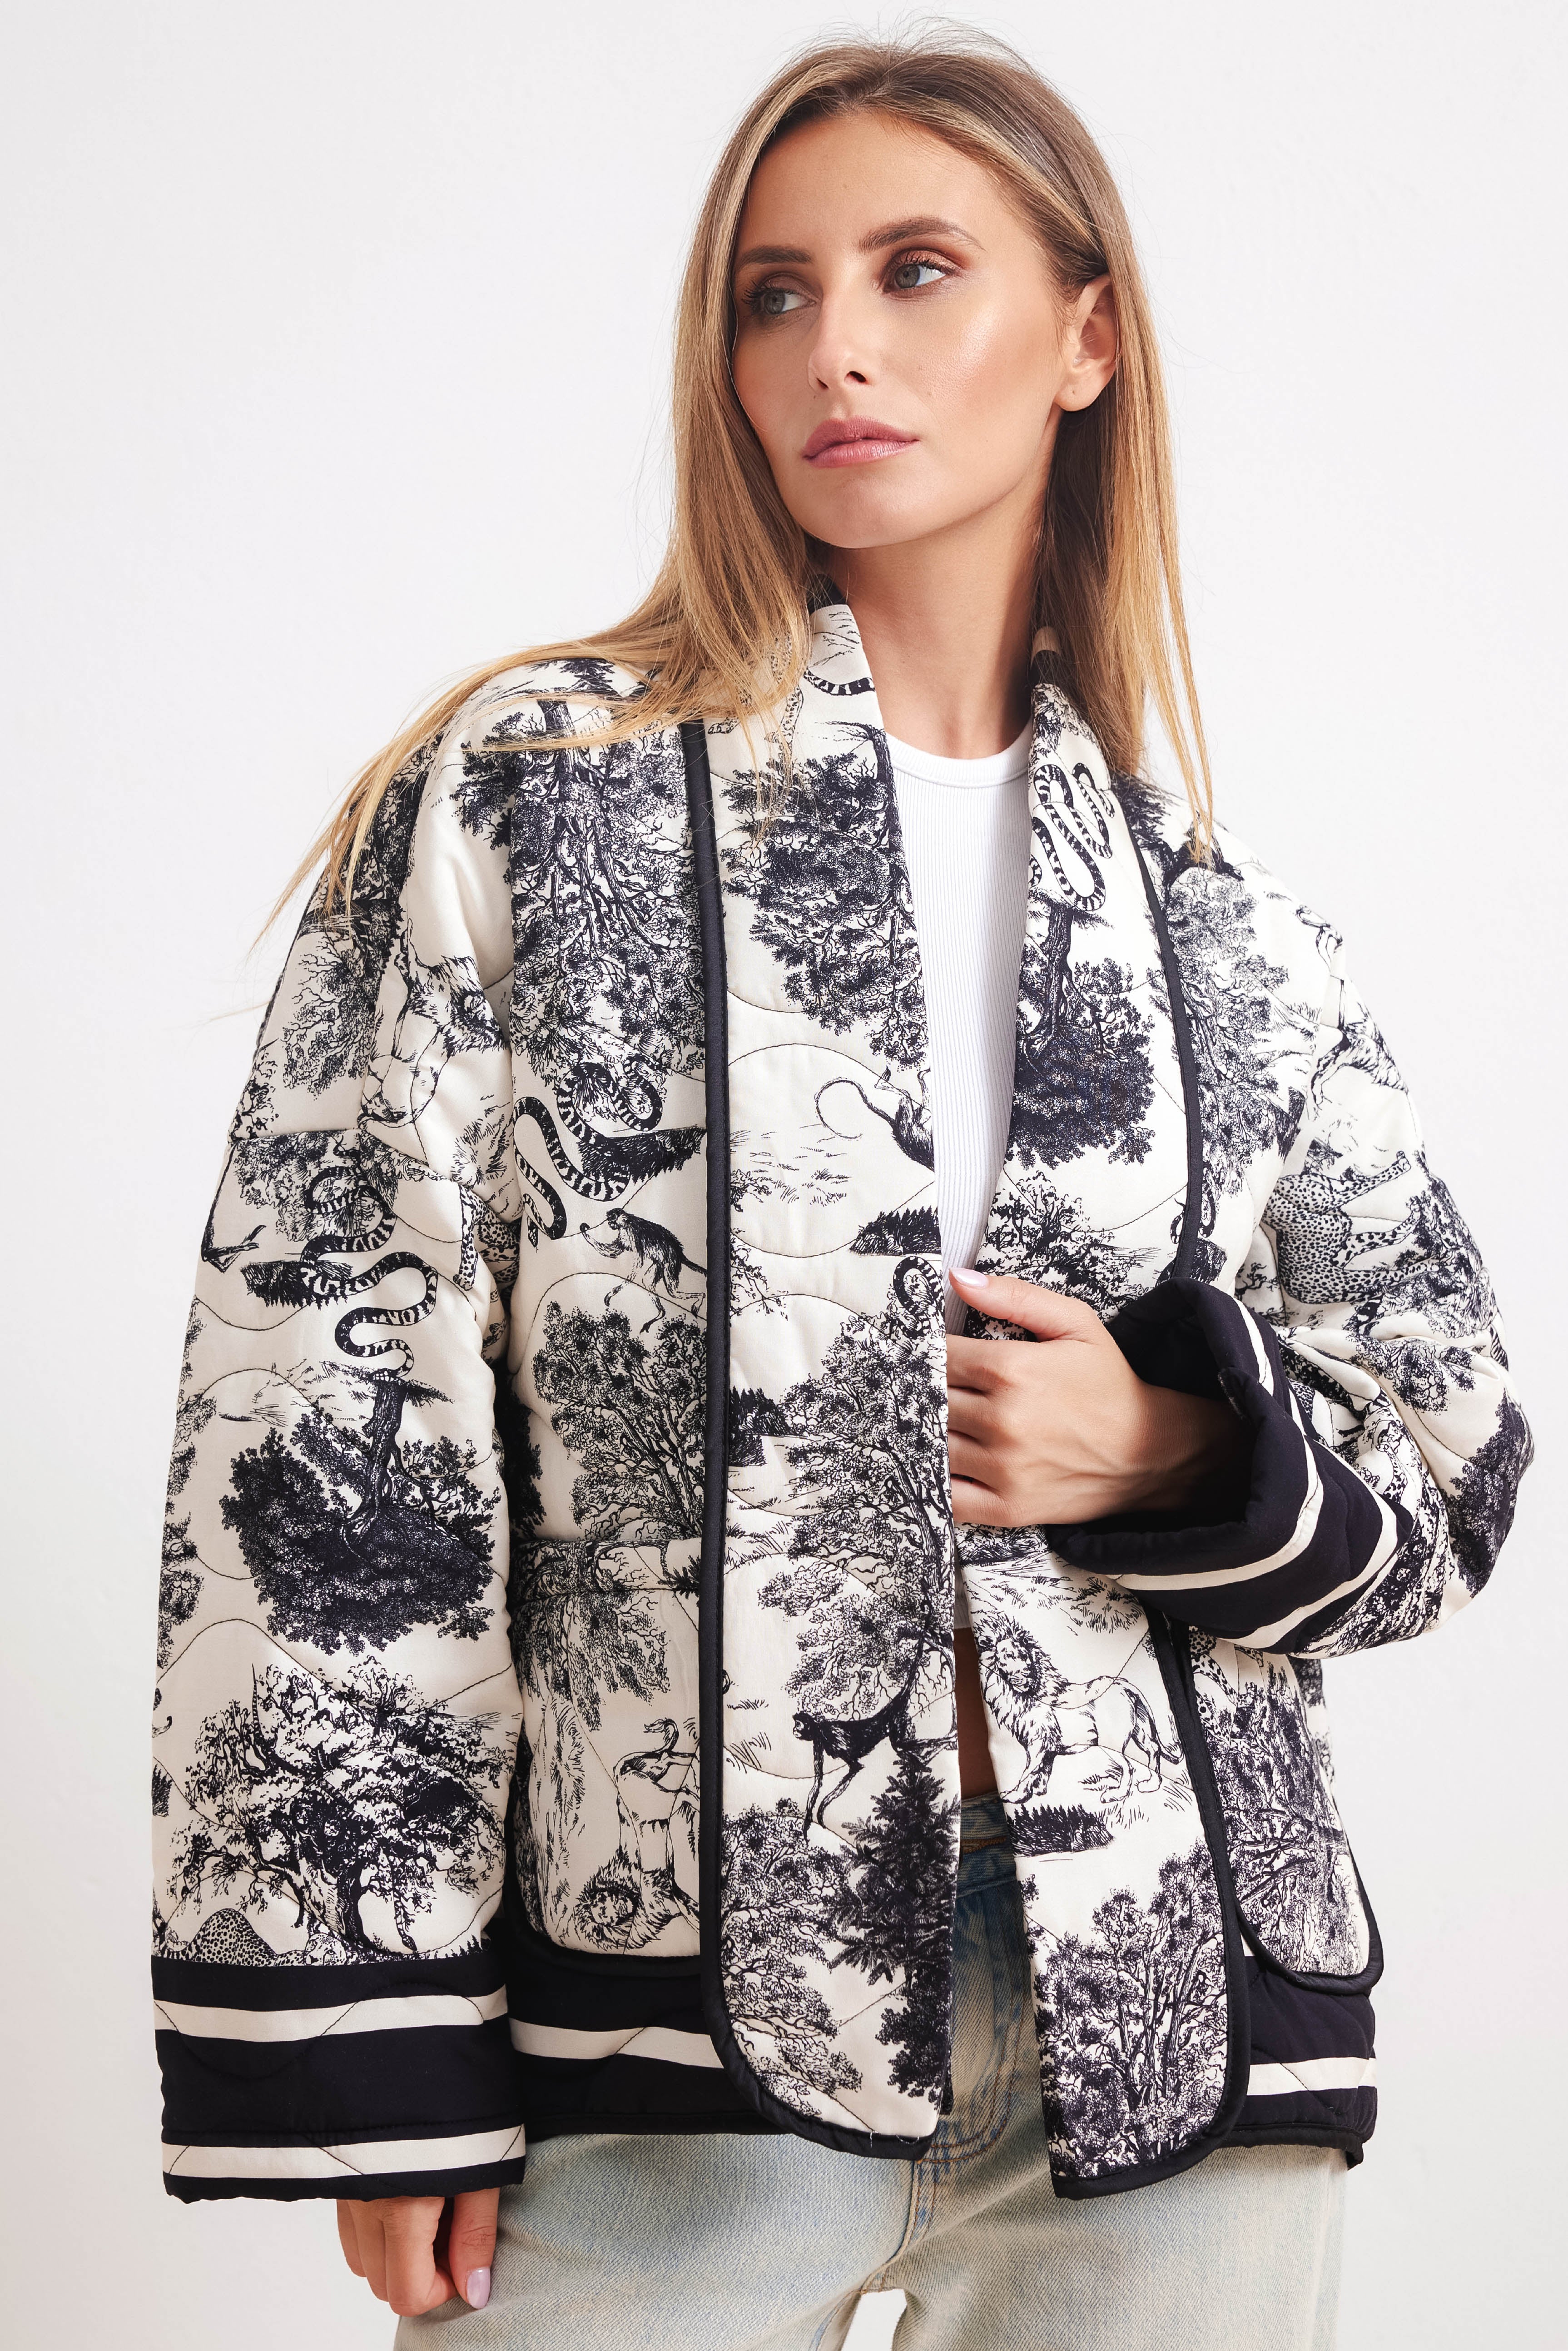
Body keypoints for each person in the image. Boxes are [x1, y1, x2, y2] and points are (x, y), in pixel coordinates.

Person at [149, 30, 1531, 2350]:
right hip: (657, 2038)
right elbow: (322, 1405)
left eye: (915, 270)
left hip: (1168, 2042)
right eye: (771, 295)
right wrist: (374, 2050)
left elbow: (1452, 1454)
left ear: (1085, 337)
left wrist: (1172, 1448)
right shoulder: (527, 798)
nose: (834, 350)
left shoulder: (1224, 924)